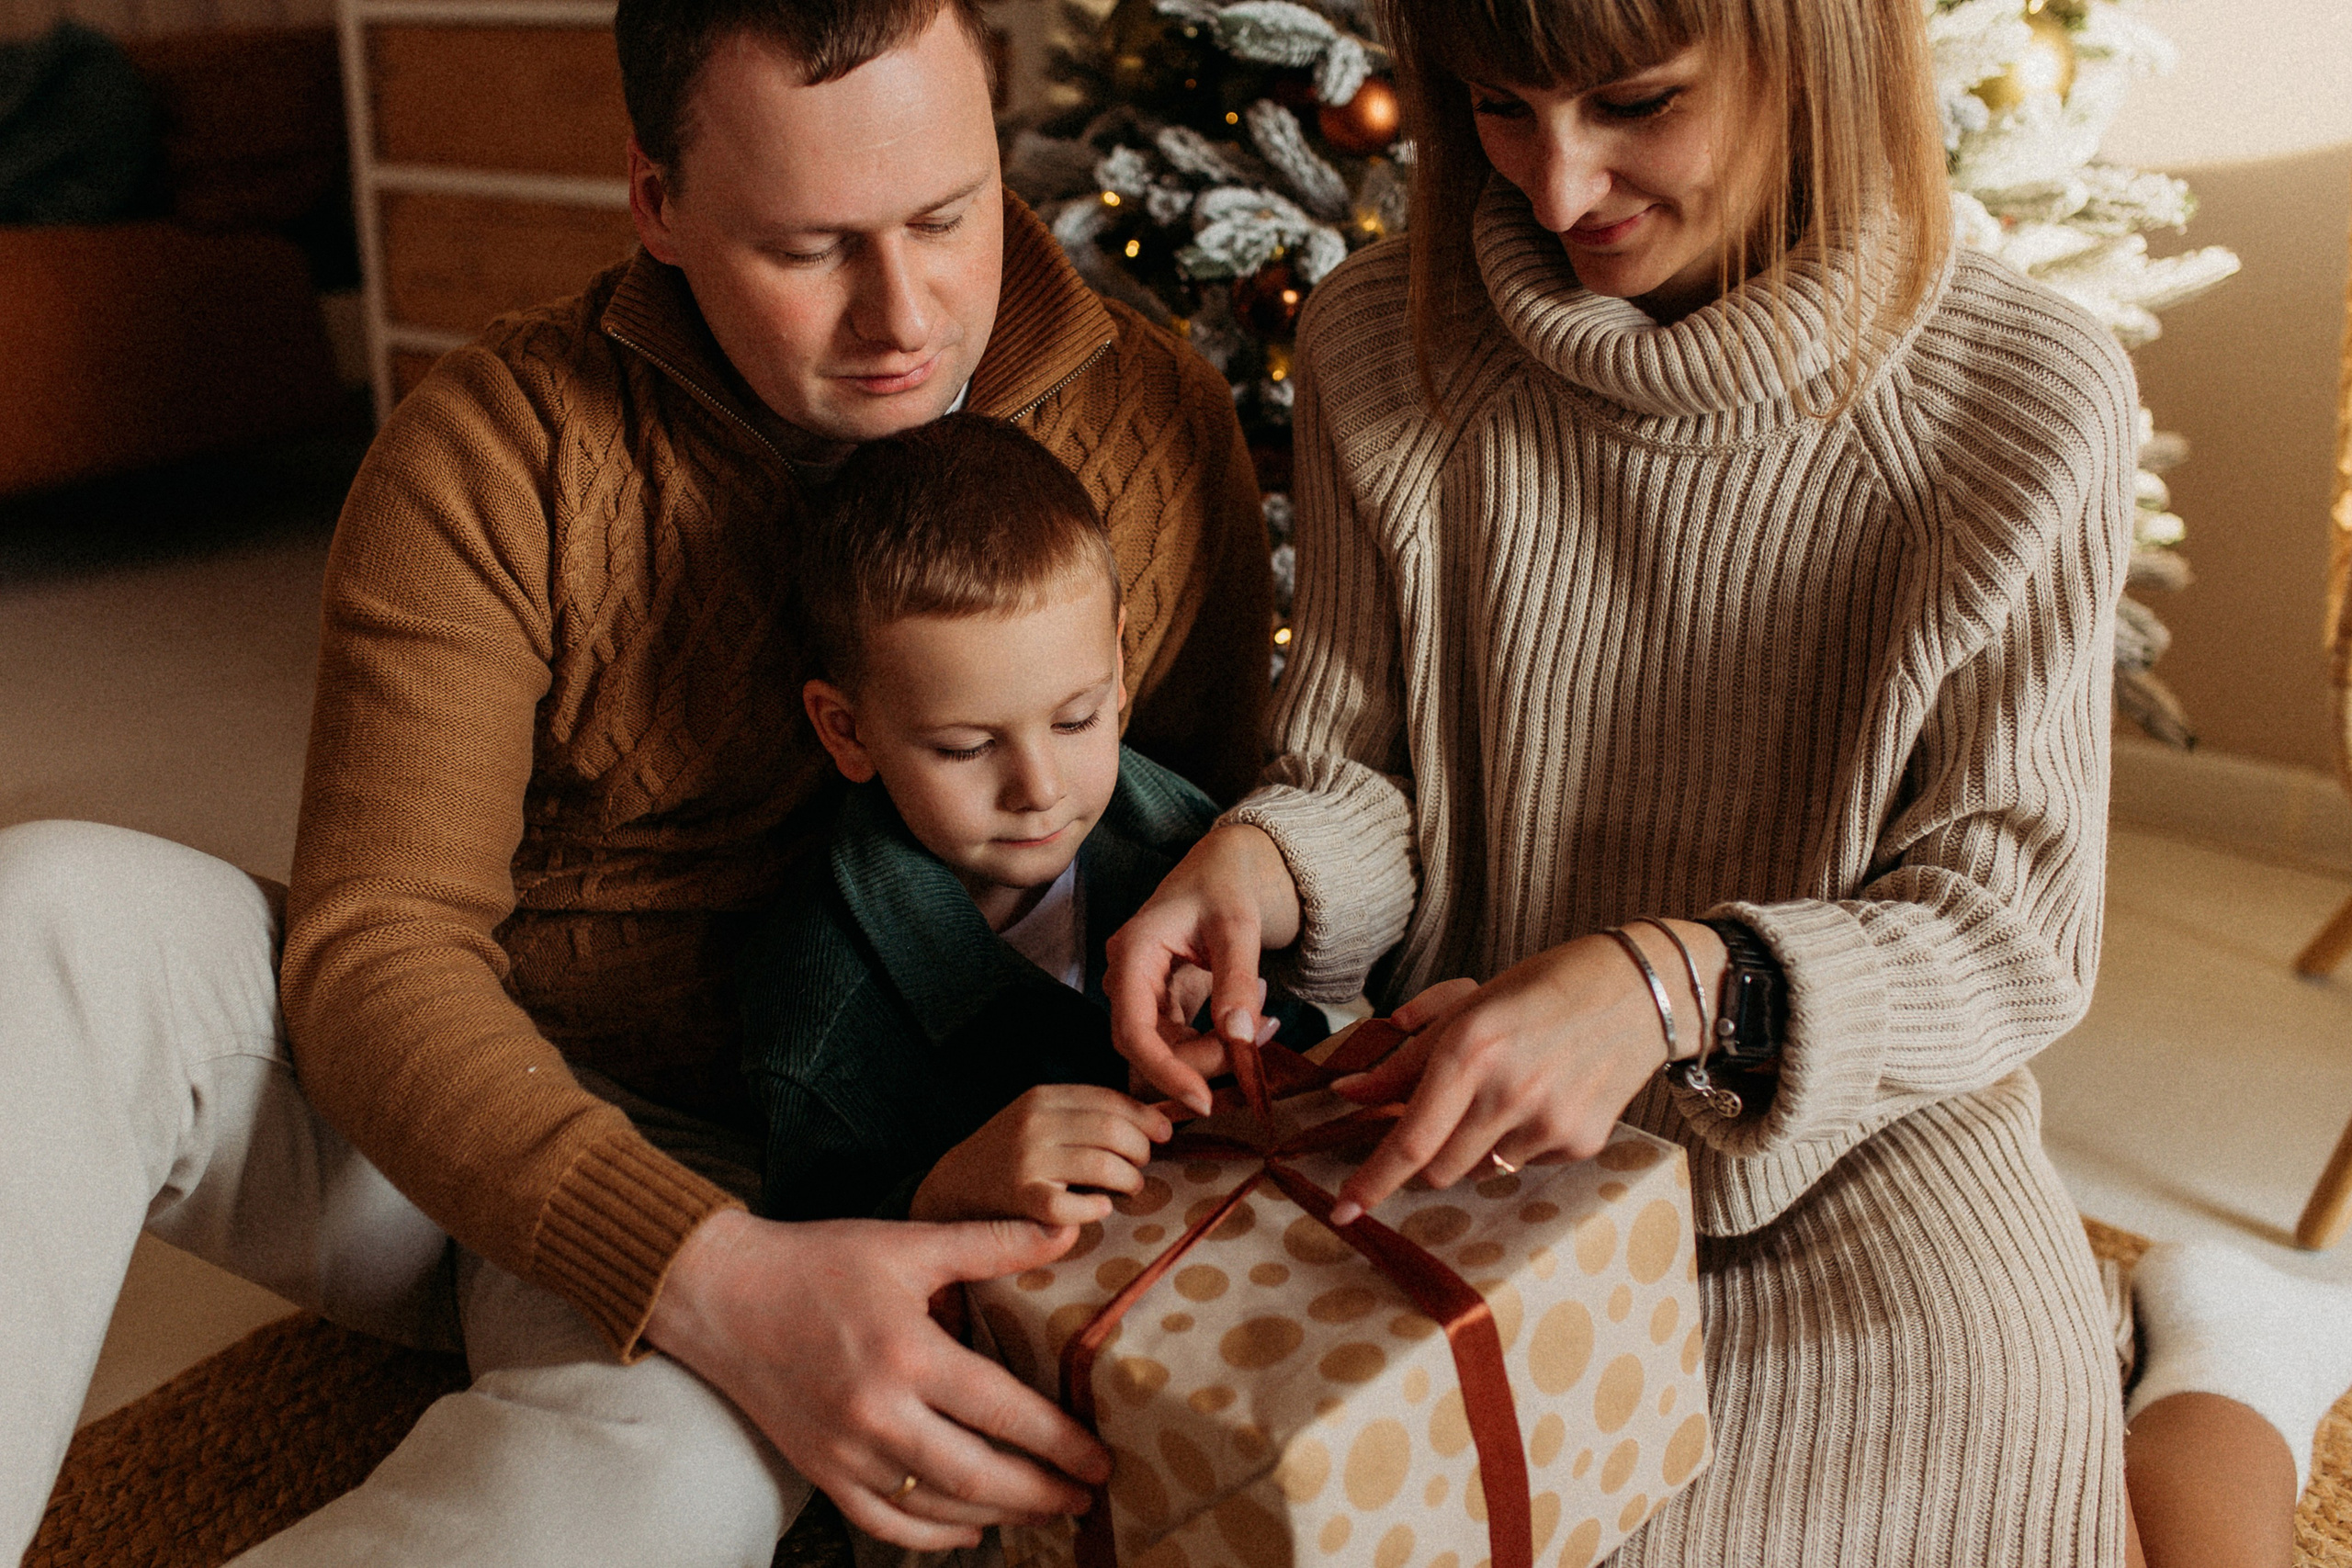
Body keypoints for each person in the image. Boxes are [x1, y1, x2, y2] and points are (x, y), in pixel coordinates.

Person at [0, 1, 1272, 1562]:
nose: (901, 314)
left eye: (949, 217)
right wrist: (711, 1273)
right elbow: (380, 952)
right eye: (809, 250)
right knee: (44, 913)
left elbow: (1207, 848)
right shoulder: (498, 448)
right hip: (510, 1113)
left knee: (667, 1491)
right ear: (657, 203)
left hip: (859, 1180)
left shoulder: (1155, 422)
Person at [1101, 1, 2341, 1563]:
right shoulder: (1382, 343)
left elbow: (2010, 930)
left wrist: (1680, 984)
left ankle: (2234, 1352)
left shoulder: (2024, 401)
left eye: (1635, 101)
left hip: (1867, 1154)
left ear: (1809, 47)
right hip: (1485, 1149)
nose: (1556, 190)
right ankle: (2238, 1351)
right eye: (1498, 107)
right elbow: (1357, 775)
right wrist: (1261, 864)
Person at [737, 414, 1321, 1233]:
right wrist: (940, 1191)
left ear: (1118, 667)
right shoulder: (822, 1008)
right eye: (968, 748)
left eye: (1077, 720)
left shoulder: (1181, 837)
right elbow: (808, 1249)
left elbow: (1308, 1054)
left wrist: (1235, 1054)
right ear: (847, 730)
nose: (1039, 790)